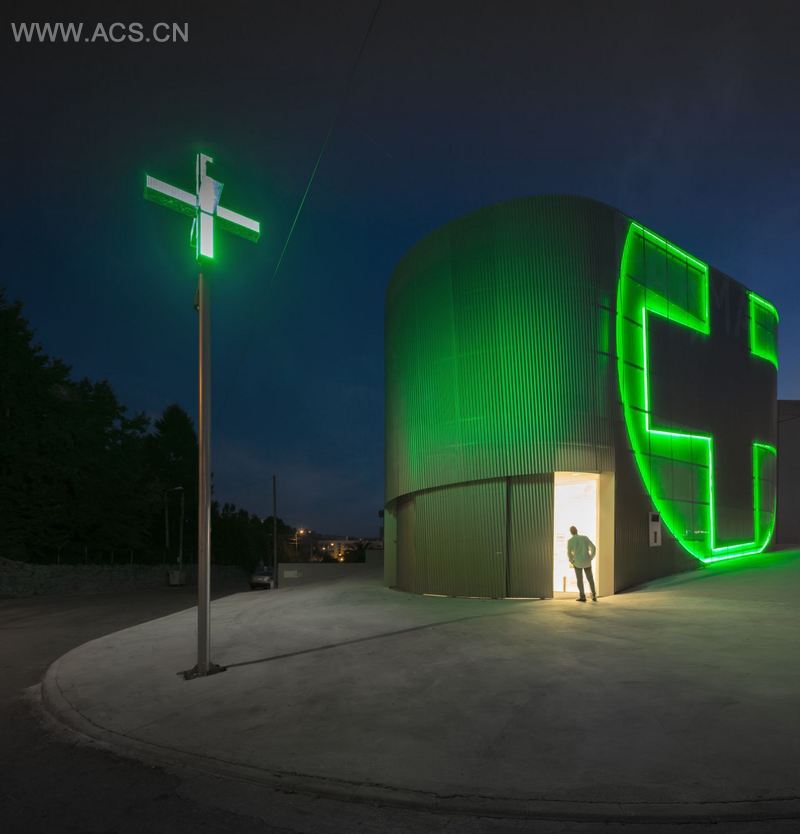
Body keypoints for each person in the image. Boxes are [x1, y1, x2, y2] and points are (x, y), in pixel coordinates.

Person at [567, 525, 597, 602]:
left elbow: (569, 553)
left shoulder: (570, 541)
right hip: (587, 561)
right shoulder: (585, 538)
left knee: (579, 580)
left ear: (571, 532)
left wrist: (572, 561)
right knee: (590, 579)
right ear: (577, 530)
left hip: (577, 562)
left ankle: (582, 597)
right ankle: (594, 595)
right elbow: (593, 548)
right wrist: (591, 557)